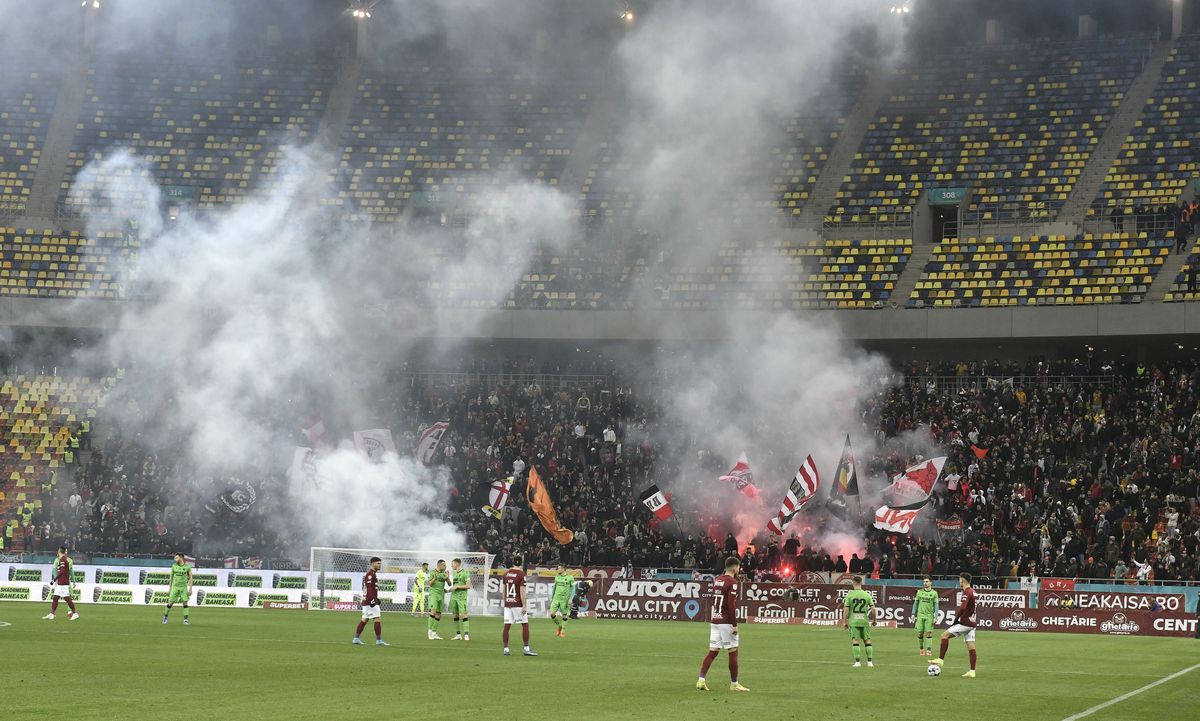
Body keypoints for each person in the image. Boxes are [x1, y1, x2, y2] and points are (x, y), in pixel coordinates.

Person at [697, 556, 749, 692]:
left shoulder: (717, 580)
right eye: (738, 567)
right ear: (734, 568)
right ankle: (734, 684)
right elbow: (731, 605)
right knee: (733, 652)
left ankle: (701, 680)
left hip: (715, 619)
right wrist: (734, 624)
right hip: (726, 621)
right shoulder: (732, 582)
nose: (739, 569)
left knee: (713, 652)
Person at [930, 572, 977, 678]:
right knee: (971, 646)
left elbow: (963, 607)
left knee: (944, 635)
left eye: (960, 579)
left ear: (962, 580)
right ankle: (972, 671)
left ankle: (940, 659)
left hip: (966, 623)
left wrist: (956, 618)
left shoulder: (967, 592)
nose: (959, 581)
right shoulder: (974, 592)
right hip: (972, 623)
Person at [501, 554, 537, 656]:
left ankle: (506, 650)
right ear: (521, 563)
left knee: (507, 626)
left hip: (508, 603)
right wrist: (524, 605)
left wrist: (505, 602)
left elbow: (503, 590)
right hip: (517, 603)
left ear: (513, 562)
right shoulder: (521, 574)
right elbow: (522, 590)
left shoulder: (506, 574)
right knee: (525, 624)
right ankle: (526, 648)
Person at [353, 556, 388, 646]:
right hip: (370, 601)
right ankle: (379, 640)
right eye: (378, 563)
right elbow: (368, 587)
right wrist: (373, 599)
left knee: (364, 619)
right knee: (377, 618)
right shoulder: (370, 574)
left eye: (380, 563)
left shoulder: (373, 573)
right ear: (373, 564)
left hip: (367, 601)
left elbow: (370, 588)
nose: (380, 565)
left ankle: (356, 638)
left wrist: (375, 598)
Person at [842, 576, 875, 668]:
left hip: (854, 621)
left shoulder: (850, 595)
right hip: (864, 621)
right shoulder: (867, 595)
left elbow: (846, 609)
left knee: (855, 641)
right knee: (867, 640)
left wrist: (845, 621)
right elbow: (873, 609)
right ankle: (870, 662)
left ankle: (857, 662)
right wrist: (874, 620)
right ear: (861, 583)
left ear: (853, 583)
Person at [42, 546, 79, 621]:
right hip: (61, 582)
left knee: (67, 598)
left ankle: (75, 613)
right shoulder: (62, 559)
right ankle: (52, 614)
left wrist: (54, 579)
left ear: (59, 552)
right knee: (55, 597)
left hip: (63, 582)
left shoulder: (62, 559)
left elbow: (62, 571)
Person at [912, 576, 940, 657]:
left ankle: (928, 650)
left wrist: (936, 617)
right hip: (920, 615)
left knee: (929, 633)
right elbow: (916, 603)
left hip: (929, 616)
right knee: (920, 633)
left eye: (927, 581)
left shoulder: (934, 593)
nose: (925, 583)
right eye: (924, 581)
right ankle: (921, 649)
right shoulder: (919, 592)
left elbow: (936, 606)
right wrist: (913, 614)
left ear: (931, 582)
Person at [162, 552, 193, 625]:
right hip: (175, 587)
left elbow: (191, 578)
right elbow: (171, 578)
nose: (175, 559)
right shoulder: (174, 566)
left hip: (183, 588)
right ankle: (165, 617)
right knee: (170, 603)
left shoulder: (187, 567)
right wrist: (169, 588)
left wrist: (190, 588)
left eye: (176, 557)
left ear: (181, 558)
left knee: (185, 603)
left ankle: (185, 620)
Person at [449, 558, 471, 641]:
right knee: (455, 615)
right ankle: (458, 635)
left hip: (462, 598)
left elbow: (468, 586)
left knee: (463, 615)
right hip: (454, 597)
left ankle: (466, 635)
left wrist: (458, 587)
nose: (451, 565)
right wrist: (448, 590)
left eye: (452, 564)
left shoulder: (465, 573)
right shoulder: (454, 573)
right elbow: (454, 586)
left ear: (457, 563)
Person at [550, 563, 574, 637]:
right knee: (552, 614)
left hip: (565, 599)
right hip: (556, 599)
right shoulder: (557, 577)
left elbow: (573, 589)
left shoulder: (570, 577)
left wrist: (571, 599)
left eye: (559, 568)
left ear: (563, 569)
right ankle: (559, 625)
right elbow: (554, 588)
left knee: (564, 615)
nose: (558, 569)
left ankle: (563, 630)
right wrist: (552, 597)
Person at [427, 559, 448, 640]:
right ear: (439, 565)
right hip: (434, 595)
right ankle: (429, 632)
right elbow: (429, 584)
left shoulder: (443, 573)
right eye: (444, 565)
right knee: (433, 611)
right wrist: (435, 578)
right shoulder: (432, 572)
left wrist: (447, 578)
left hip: (441, 595)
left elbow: (449, 583)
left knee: (439, 614)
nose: (445, 566)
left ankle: (434, 632)